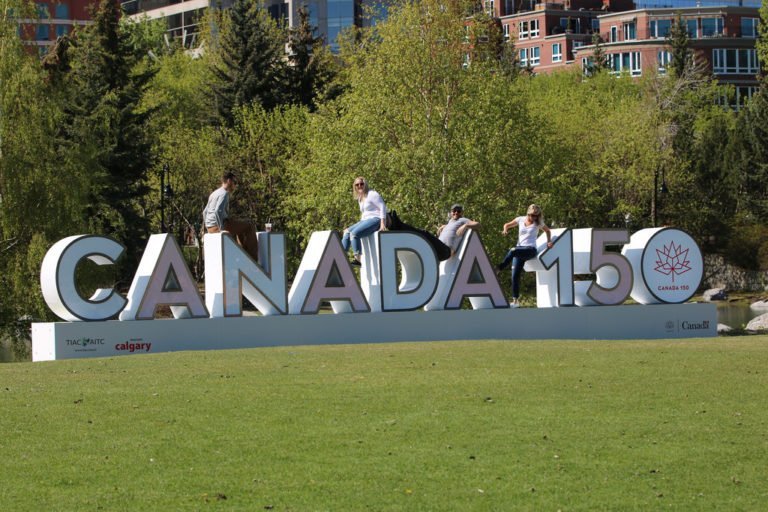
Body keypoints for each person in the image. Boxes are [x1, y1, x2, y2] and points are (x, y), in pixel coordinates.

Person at [497, 204, 553, 308]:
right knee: (514, 276)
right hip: (520, 250)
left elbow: (548, 231)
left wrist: (549, 242)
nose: (534, 218)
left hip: (530, 250)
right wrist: (505, 230)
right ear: (528, 213)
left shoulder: (538, 223)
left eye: (536, 216)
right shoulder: (520, 219)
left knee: (512, 250)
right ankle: (515, 301)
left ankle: (499, 268)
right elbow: (507, 224)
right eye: (532, 215)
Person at [203, 172, 259, 262]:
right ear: (229, 181)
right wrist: (221, 229)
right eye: (234, 182)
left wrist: (208, 227)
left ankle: (244, 254)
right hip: (219, 226)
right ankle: (253, 260)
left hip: (210, 228)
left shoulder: (214, 193)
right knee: (249, 226)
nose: (235, 185)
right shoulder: (224, 194)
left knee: (240, 227)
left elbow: (205, 212)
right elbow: (218, 211)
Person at [342, 177, 388, 266]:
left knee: (354, 234)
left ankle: (357, 260)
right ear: (354, 186)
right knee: (346, 232)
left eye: (361, 184)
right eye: (357, 184)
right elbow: (364, 213)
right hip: (365, 220)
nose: (359, 186)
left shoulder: (372, 194)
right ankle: (341, 257)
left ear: (365, 184)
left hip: (375, 219)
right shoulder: (360, 197)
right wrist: (358, 225)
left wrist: (383, 223)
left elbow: (382, 207)